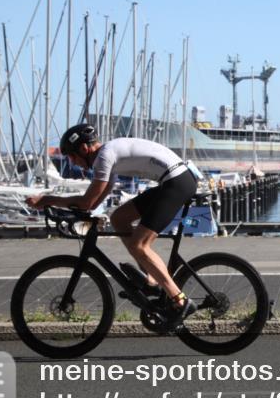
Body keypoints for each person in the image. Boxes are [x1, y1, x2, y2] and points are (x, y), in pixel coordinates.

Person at [27, 124, 199, 330]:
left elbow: (87, 202)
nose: (73, 163)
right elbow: (96, 201)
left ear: (84, 149)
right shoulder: (108, 155)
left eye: (72, 157)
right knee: (119, 218)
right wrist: (78, 210)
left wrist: (48, 200)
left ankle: (179, 300)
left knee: (140, 245)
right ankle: (151, 281)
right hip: (173, 180)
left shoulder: (104, 157)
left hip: (176, 182)